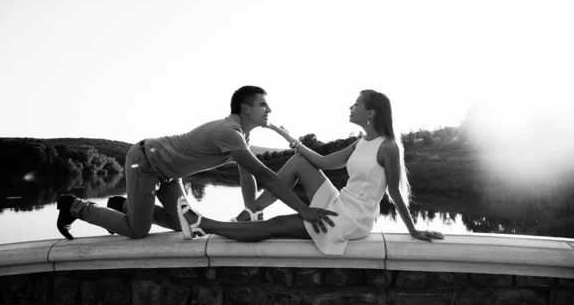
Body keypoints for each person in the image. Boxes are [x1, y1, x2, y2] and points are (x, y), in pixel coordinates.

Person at [177, 89, 444, 255]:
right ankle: (250, 213)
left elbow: (395, 193)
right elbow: (324, 162)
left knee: (277, 225)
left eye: (357, 103)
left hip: (354, 219)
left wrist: (414, 230)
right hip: (341, 201)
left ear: (370, 112)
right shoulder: (360, 142)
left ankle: (204, 225)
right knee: (298, 162)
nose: (351, 107)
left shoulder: (388, 147)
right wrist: (287, 136)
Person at [56, 86, 337, 240]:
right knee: (137, 231)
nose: (270, 110)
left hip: (166, 174)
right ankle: (74, 206)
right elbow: (266, 176)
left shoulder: (243, 135)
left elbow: (247, 177)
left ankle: (124, 205)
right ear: (246, 108)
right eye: (263, 104)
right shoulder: (228, 133)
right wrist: (305, 210)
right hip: (145, 163)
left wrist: (251, 212)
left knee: (183, 225)